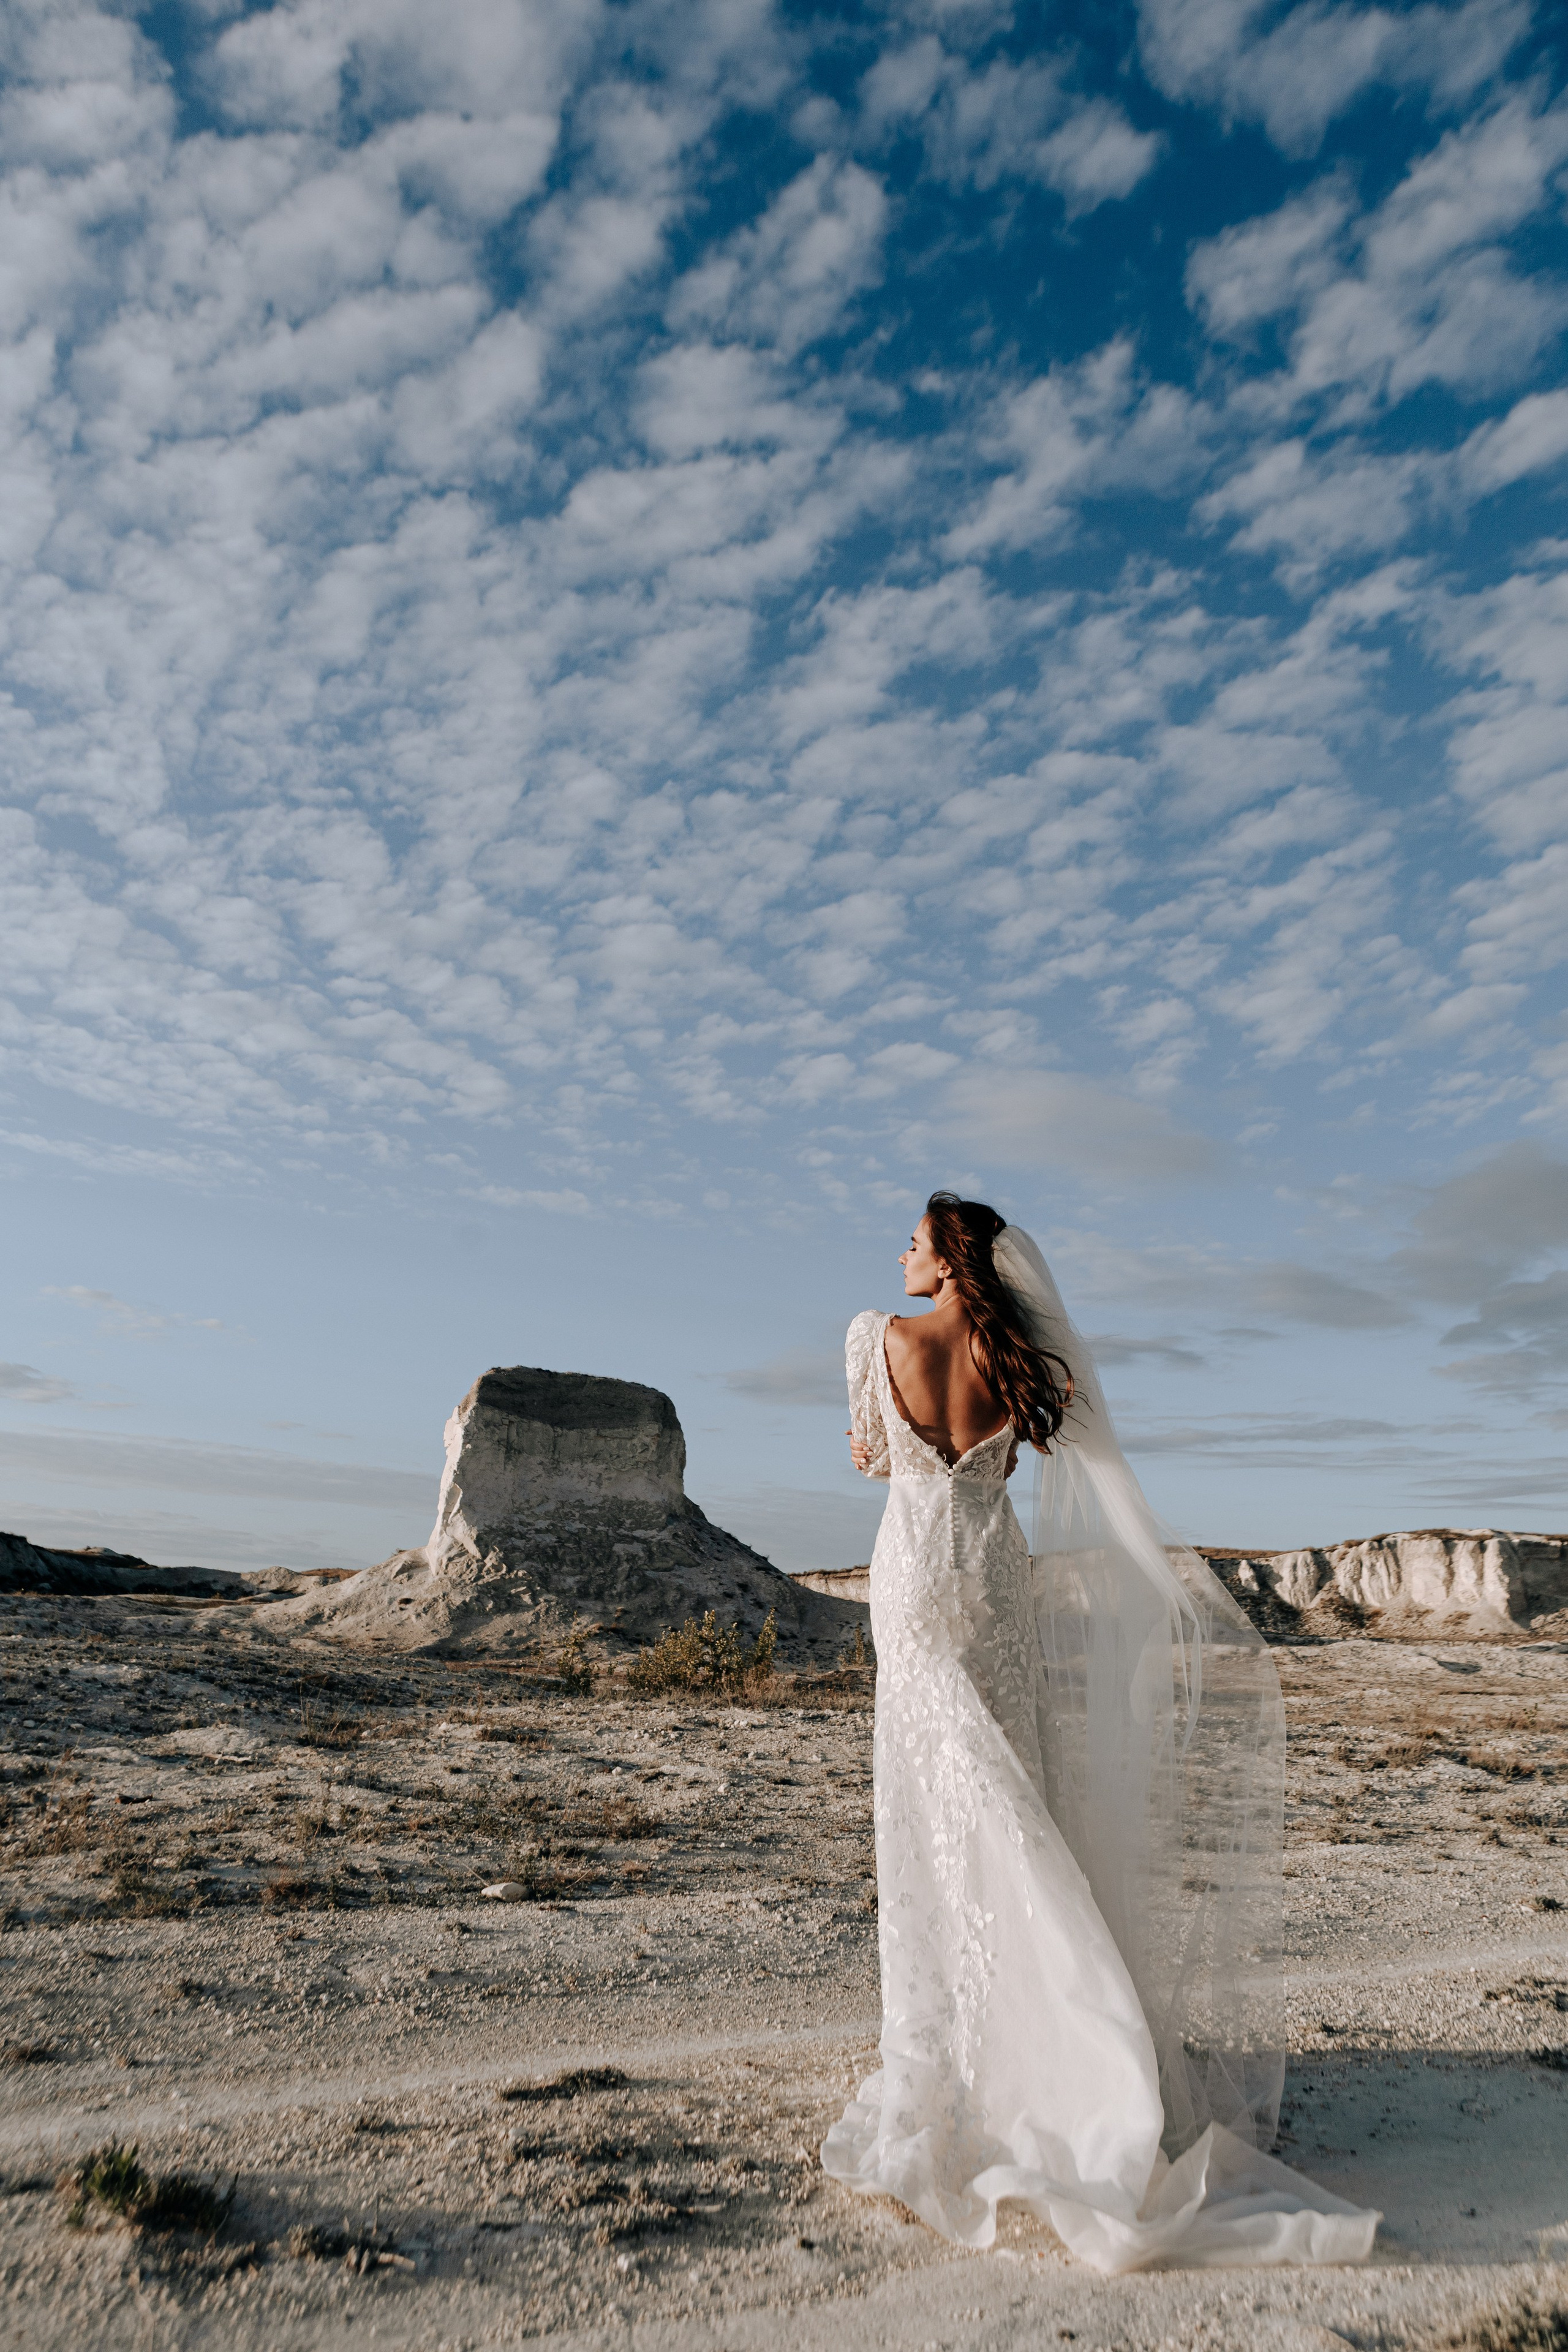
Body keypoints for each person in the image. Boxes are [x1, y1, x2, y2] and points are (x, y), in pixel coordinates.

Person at [820, 1191, 1381, 2272]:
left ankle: (990, 2036)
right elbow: (1015, 1459)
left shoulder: (873, 1337)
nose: (901, 1255)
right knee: (1009, 1776)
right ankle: (1051, 2018)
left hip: (914, 1575)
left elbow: (882, 1456)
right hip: (994, 1577)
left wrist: (877, 1458)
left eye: (914, 1242)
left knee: (935, 1789)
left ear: (950, 1261)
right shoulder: (1015, 1359)